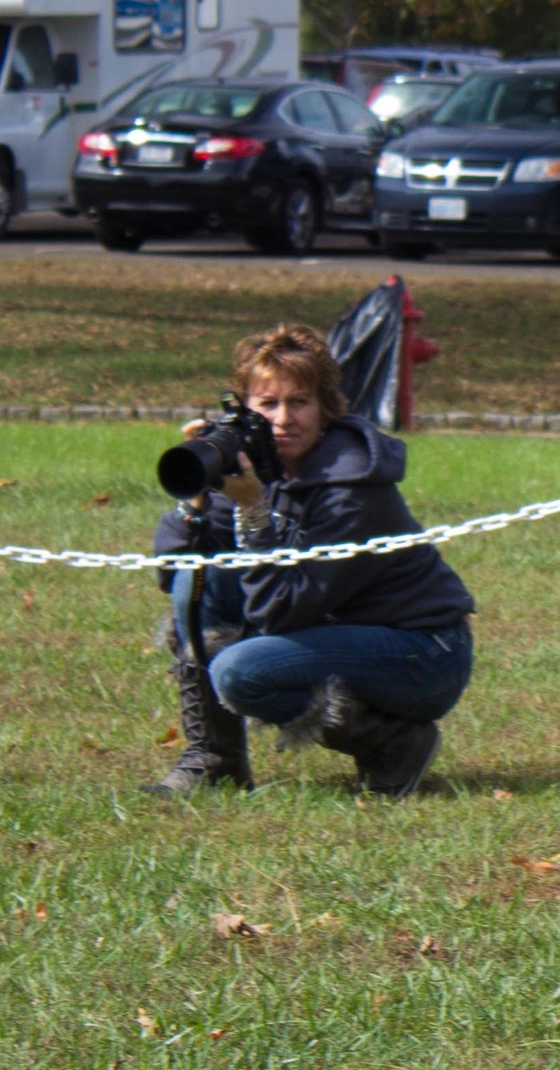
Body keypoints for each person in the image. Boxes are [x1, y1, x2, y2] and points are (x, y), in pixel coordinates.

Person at [147, 323, 476, 798]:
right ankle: (214, 760)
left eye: (298, 402)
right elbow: (175, 579)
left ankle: (396, 743)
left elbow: (283, 611)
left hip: (420, 653)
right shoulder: (250, 466)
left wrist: (253, 511)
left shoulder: (352, 486)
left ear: (325, 411)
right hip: (332, 632)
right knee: (198, 586)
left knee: (243, 672)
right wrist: (195, 499)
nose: (283, 419)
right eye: (268, 403)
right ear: (245, 409)